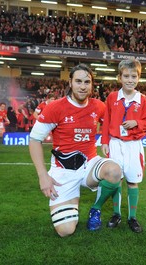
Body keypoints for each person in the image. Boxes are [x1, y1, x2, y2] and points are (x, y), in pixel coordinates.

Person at [29, 64, 122, 237]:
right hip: (63, 171)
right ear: (70, 83)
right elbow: (34, 140)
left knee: (114, 171)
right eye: (78, 81)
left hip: (90, 164)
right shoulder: (55, 107)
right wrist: (43, 175)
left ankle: (95, 209)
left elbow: (113, 126)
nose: (83, 86)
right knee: (66, 231)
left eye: (87, 82)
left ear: (92, 85)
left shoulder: (99, 106)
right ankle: (72, 201)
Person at [101, 59, 146, 233]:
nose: (130, 80)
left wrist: (136, 122)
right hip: (116, 144)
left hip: (133, 146)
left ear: (139, 78)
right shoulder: (112, 97)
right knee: (116, 181)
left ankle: (132, 217)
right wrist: (105, 142)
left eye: (134, 76)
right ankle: (116, 214)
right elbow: (106, 121)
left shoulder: (142, 100)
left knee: (133, 182)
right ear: (119, 77)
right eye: (126, 76)